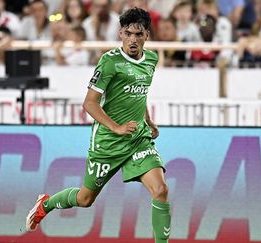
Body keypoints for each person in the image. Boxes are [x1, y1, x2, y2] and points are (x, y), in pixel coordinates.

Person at [26, 7, 171, 243]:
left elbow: (139, 94)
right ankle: (47, 203)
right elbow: (89, 103)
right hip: (108, 142)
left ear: (147, 35)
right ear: (120, 34)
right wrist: (115, 127)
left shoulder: (151, 60)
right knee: (85, 199)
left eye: (138, 34)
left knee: (161, 190)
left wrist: (148, 120)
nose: (132, 40)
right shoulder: (109, 62)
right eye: (127, 33)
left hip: (137, 139)